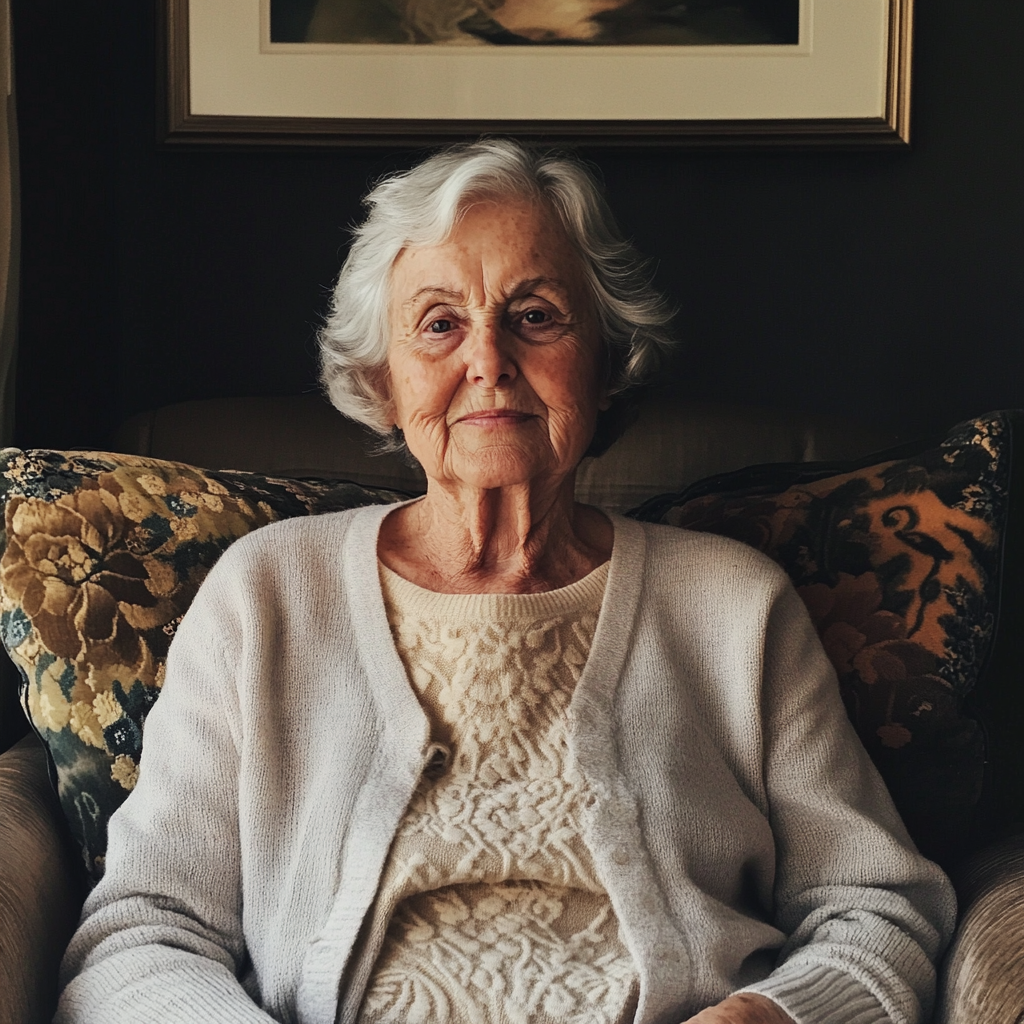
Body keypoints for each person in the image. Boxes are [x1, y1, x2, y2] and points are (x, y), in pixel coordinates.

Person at [55, 139, 955, 1024]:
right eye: (440, 324)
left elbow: (877, 911)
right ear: (382, 380)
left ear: (605, 363)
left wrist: (764, 1017)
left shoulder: (735, 608)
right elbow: (144, 932)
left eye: (535, 315)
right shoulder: (269, 596)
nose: (487, 360)